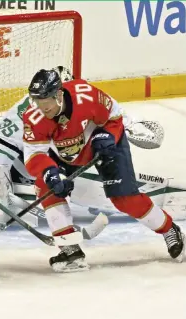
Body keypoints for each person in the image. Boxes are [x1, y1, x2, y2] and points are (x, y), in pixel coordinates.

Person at [20, 68, 185, 272]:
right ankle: (70, 250)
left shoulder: (86, 95)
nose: (42, 109)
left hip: (103, 145)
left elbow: (115, 117)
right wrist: (50, 172)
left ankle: (170, 230)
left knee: (125, 199)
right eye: (38, 103)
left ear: (59, 95)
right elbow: (34, 154)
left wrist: (107, 135)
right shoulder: (33, 117)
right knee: (47, 186)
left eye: (47, 103)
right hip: (63, 154)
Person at [0, 67, 164, 223]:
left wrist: (122, 127)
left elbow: (103, 111)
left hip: (8, 148)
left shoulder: (41, 104)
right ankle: (14, 192)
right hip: (3, 152)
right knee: (0, 212)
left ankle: (19, 187)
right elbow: (36, 153)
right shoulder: (40, 112)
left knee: (57, 163)